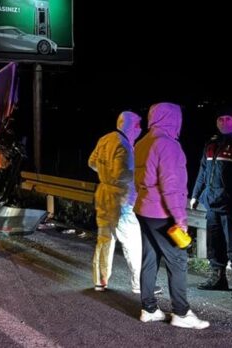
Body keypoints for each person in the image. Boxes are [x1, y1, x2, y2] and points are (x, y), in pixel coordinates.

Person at [134, 102, 209, 329]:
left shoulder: (142, 143)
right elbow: (172, 188)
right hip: (161, 213)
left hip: (143, 209)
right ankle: (181, 313)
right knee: (178, 261)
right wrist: (181, 219)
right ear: (173, 119)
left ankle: (148, 309)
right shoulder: (168, 146)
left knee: (150, 258)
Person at [88, 111, 146, 293]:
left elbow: (91, 162)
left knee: (104, 239)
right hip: (121, 199)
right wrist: (139, 176)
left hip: (103, 193)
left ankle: (100, 280)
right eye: (138, 125)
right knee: (133, 242)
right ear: (130, 126)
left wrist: (103, 174)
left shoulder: (105, 139)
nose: (140, 129)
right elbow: (120, 174)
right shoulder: (124, 146)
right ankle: (140, 284)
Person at [189, 110, 232, 297]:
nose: (223, 121)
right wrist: (195, 195)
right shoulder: (211, 143)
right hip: (211, 203)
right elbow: (203, 171)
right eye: (220, 118)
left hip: (231, 205)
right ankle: (218, 278)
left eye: (228, 118)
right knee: (215, 244)